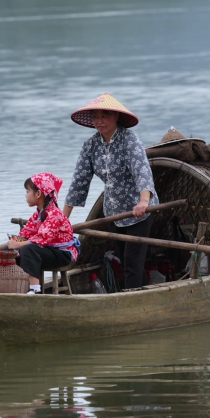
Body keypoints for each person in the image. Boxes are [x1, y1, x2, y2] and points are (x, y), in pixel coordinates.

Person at [62, 93, 159, 290]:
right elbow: (79, 181)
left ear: (116, 117)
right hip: (114, 212)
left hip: (138, 211)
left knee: (133, 261)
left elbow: (142, 171)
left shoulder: (129, 140)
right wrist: (63, 218)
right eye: (96, 117)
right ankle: (141, 296)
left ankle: (133, 300)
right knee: (125, 261)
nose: (100, 121)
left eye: (105, 115)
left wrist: (143, 202)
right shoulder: (91, 145)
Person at [7, 172, 80, 280]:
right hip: (47, 250)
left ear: (38, 194)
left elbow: (42, 238)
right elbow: (27, 232)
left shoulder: (55, 214)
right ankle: (16, 285)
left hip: (62, 253)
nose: (26, 195)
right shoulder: (38, 214)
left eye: (27, 191)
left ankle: (34, 289)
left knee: (28, 250)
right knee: (8, 251)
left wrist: (18, 245)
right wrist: (16, 241)